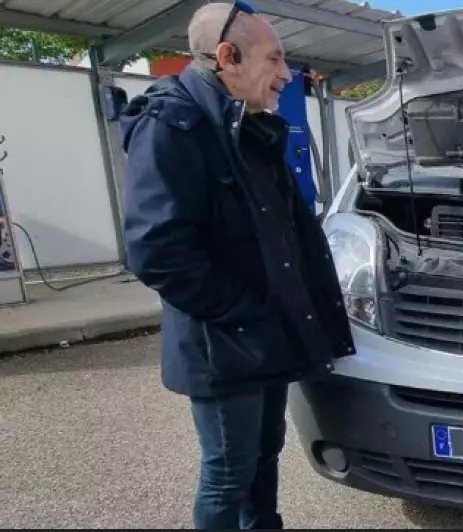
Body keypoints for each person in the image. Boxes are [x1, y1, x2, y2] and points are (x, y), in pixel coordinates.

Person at [119, 1, 356, 528]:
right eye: (274, 59)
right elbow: (157, 250)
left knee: (262, 457)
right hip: (228, 344)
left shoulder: (248, 126)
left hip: (265, 335)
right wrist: (242, 311)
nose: (286, 74)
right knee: (228, 471)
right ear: (227, 56)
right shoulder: (172, 124)